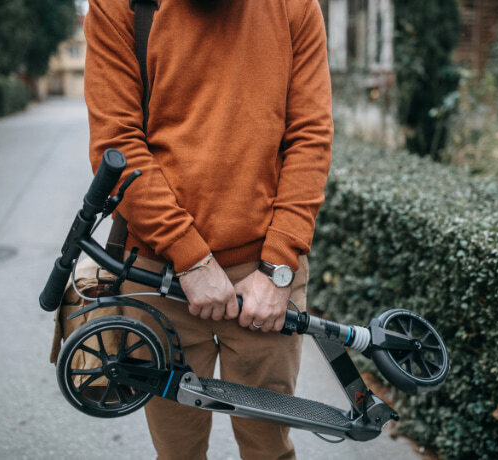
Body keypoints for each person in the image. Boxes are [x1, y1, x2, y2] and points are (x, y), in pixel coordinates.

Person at [83, 0, 333, 459]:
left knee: (268, 449)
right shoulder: (119, 7)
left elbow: (309, 136)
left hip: (264, 280)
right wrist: (189, 256)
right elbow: (116, 143)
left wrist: (278, 267)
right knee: (177, 450)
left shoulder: (294, 6)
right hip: (158, 279)